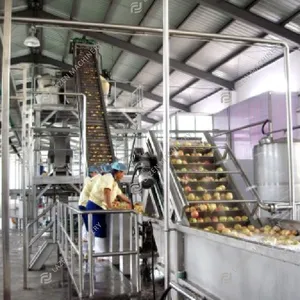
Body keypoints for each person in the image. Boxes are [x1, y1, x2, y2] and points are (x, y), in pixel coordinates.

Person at [86, 161, 132, 261]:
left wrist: (130, 202)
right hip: (96, 205)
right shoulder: (108, 177)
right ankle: (100, 254)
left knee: (100, 227)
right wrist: (110, 207)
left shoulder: (114, 182)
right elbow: (107, 192)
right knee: (99, 228)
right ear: (118, 172)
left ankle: (99, 251)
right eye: (122, 173)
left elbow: (120, 194)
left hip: (98, 206)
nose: (123, 175)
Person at [78, 166, 100, 242]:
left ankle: (86, 237)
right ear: (93, 173)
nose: (97, 174)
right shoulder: (89, 180)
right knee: (90, 223)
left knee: (87, 222)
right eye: (96, 173)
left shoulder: (90, 180)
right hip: (84, 204)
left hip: (85, 203)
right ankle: (88, 238)